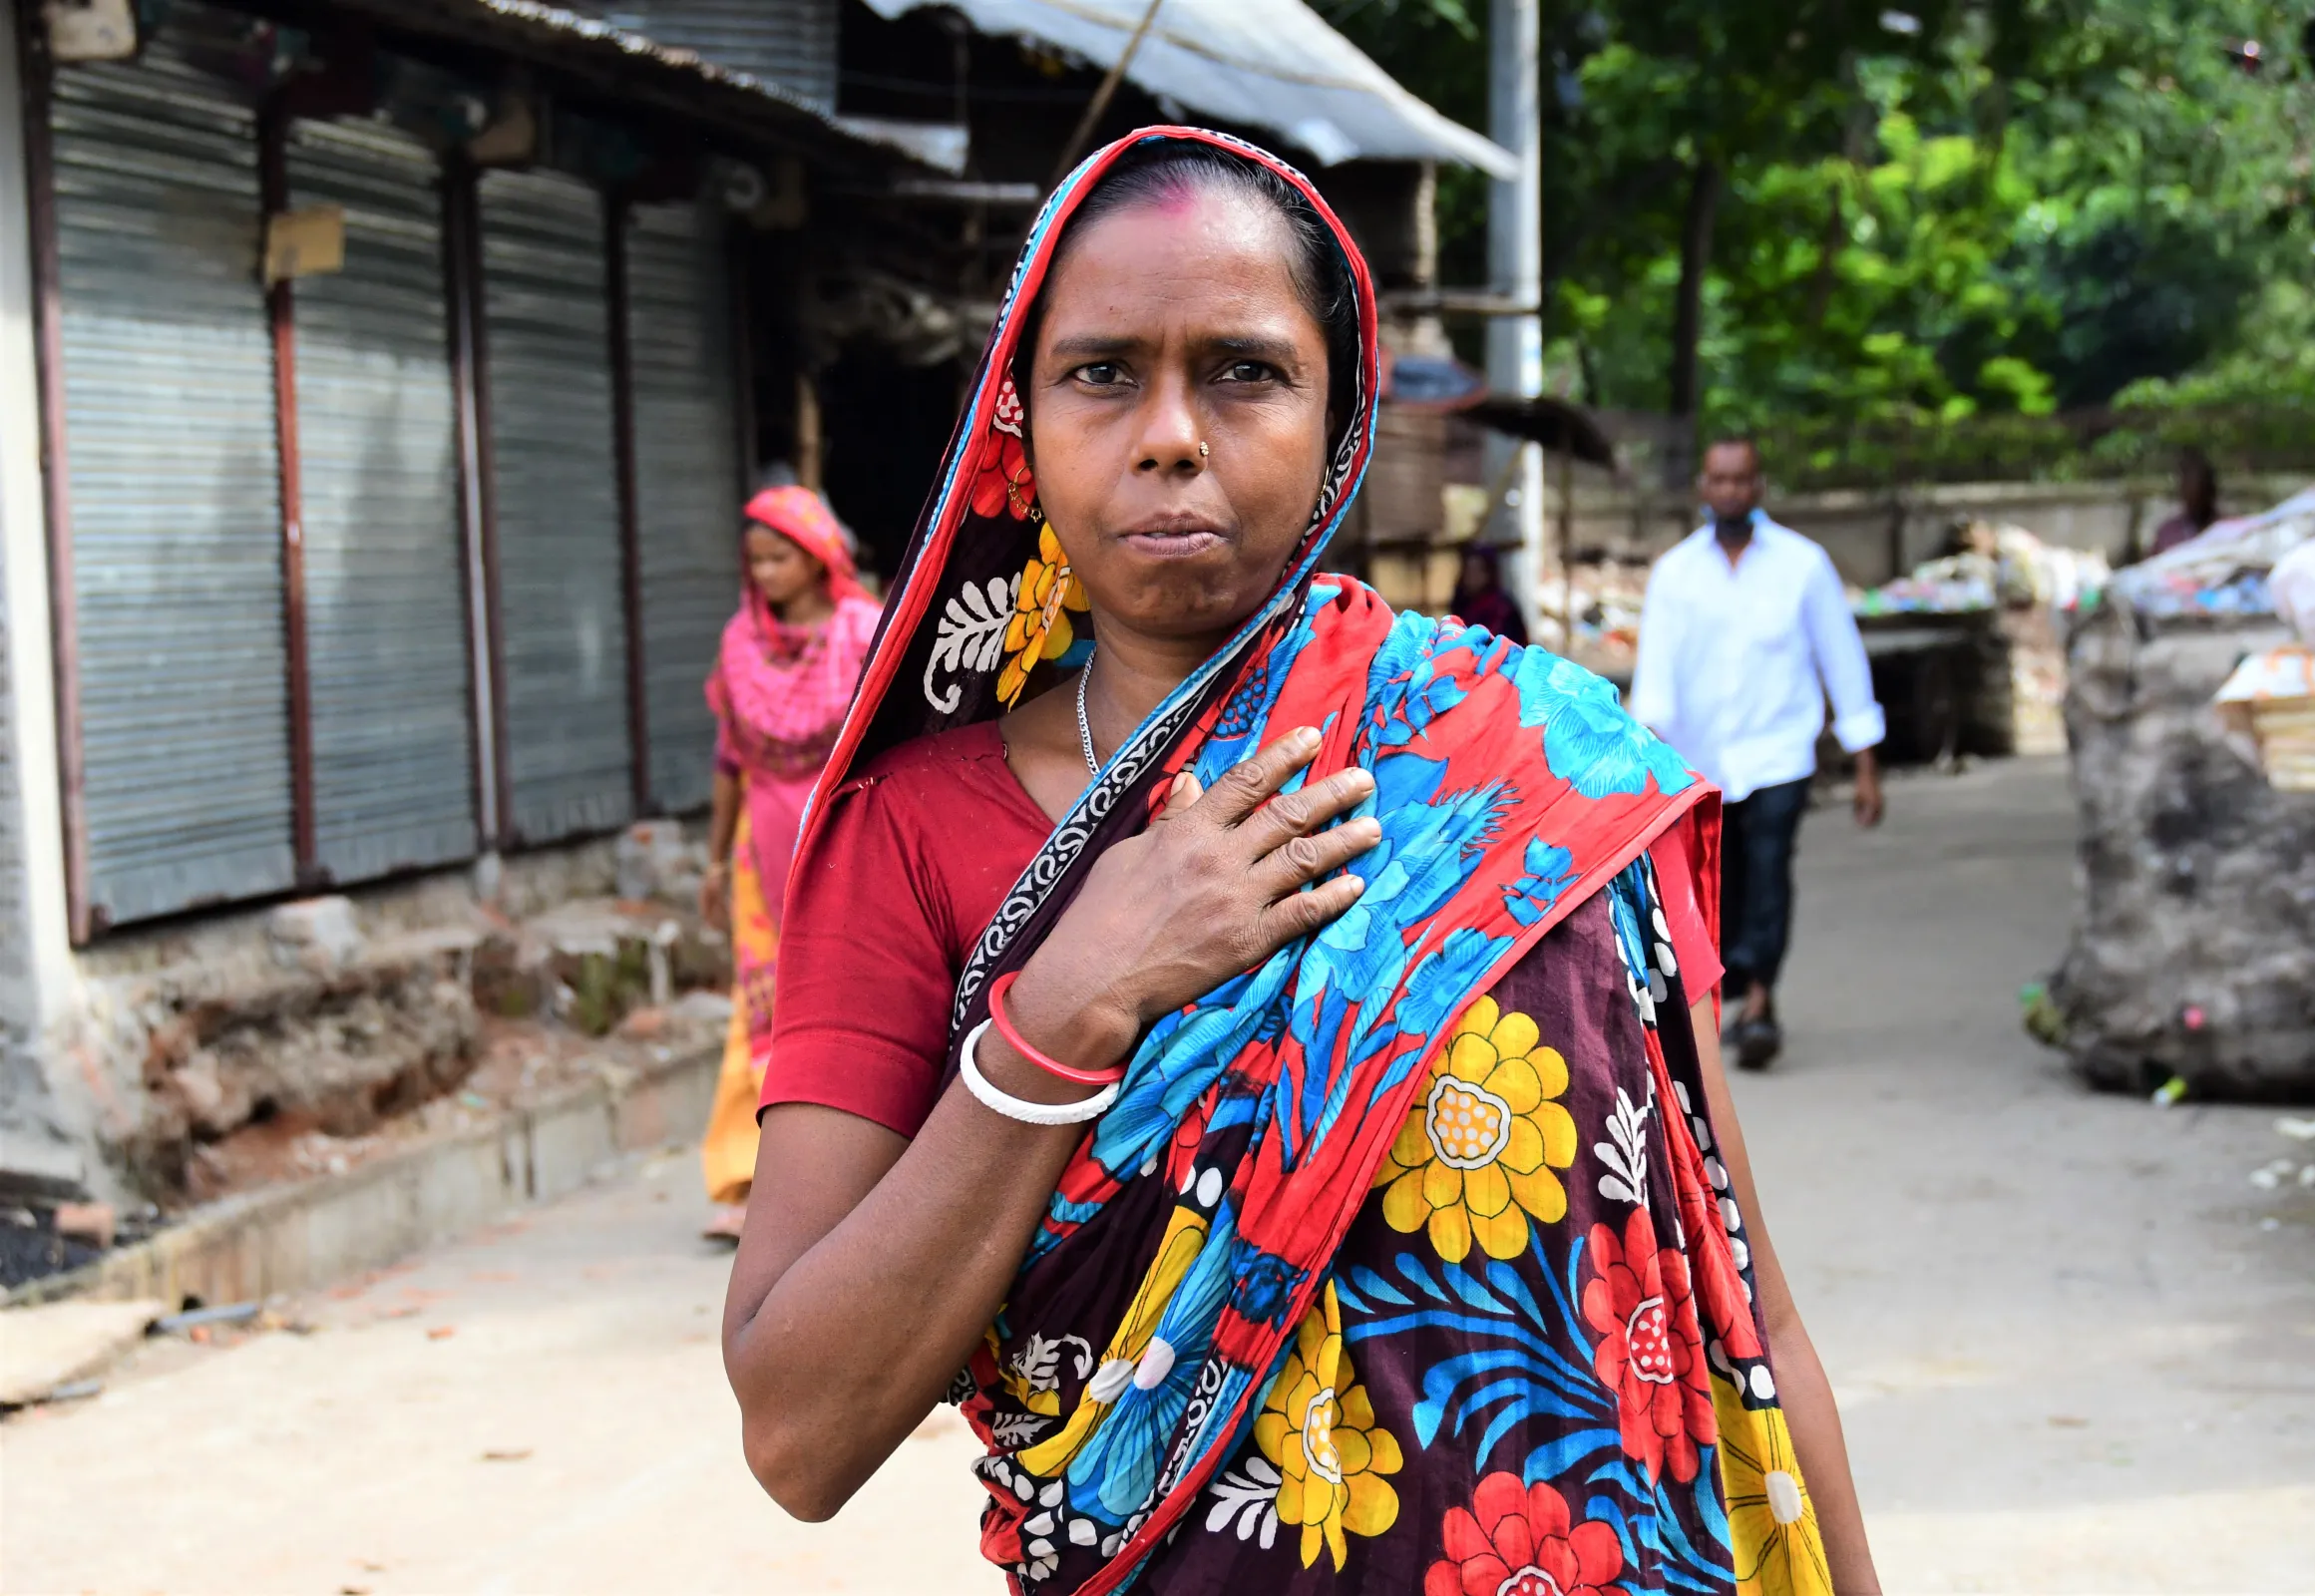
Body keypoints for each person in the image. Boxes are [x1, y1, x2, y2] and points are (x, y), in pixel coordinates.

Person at [724, 130, 1879, 1595]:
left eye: (1242, 370)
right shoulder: (913, 829)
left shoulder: (1539, 774)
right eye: (1099, 373)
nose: (1169, 433)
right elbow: (797, 1433)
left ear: (1343, 420)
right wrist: (1070, 1007)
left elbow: (1745, 1317)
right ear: (1019, 418)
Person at [1630, 438, 1885, 1072]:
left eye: (1741, 480)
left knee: (1770, 871)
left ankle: (1761, 1004)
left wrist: (1865, 764)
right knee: (1718, 882)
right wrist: (1645, 770)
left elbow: (1842, 660)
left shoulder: (1802, 565)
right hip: (1700, 761)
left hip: (1780, 755)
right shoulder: (1676, 574)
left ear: (1759, 486)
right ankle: (1727, 991)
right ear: (1702, 487)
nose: (1731, 492)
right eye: (1719, 480)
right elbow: (1655, 678)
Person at [695, 485, 881, 1243]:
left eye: (779, 557)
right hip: (759, 848)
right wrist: (712, 861)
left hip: (847, 836)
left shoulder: (866, 633)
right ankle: (746, 1179)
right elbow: (729, 757)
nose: (765, 573)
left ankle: (852, 1173)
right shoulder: (741, 642)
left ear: (817, 560)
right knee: (760, 1005)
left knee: (854, 998)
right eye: (756, 561)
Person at [1447, 542, 1528, 643]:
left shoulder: (1502, 608)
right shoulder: (1462, 604)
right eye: (1468, 571)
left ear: (1489, 573)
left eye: (1477, 571)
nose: (1471, 577)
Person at [2147, 447, 2218, 555]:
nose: (2196, 497)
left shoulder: (2228, 531)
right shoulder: (2168, 534)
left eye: (2201, 489)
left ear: (2211, 491)